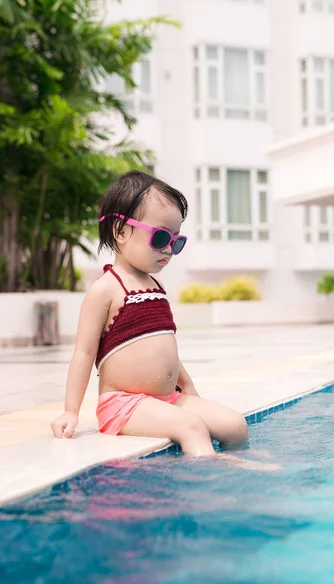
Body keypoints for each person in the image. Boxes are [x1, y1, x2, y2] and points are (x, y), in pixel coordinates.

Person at [51, 170, 249, 457]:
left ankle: (239, 463)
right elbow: (83, 354)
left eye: (176, 241)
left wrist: (188, 386)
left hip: (167, 398)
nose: (169, 249)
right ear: (121, 232)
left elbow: (163, 346)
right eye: (160, 238)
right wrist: (71, 412)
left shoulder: (156, 286)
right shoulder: (106, 290)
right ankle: (211, 481)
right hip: (123, 404)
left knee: (235, 425)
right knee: (192, 427)